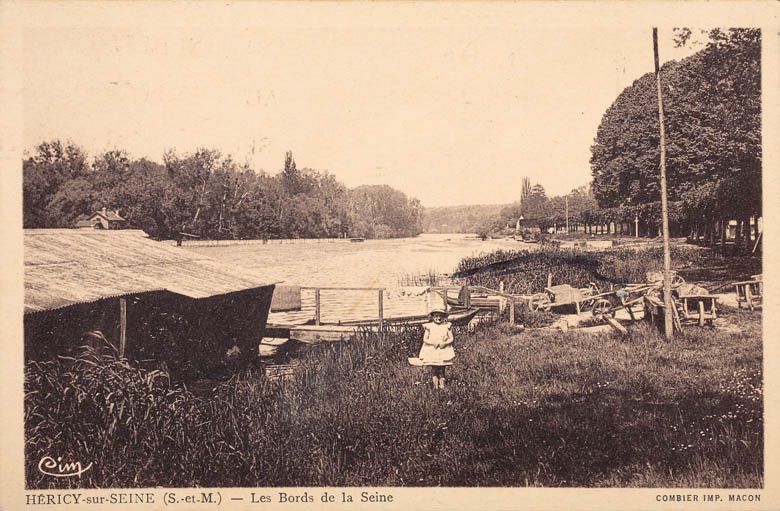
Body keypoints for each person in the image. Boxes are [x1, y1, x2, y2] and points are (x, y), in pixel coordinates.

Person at [419, 309, 455, 390]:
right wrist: (432, 343)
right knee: (434, 369)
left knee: (442, 369)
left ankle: (442, 386)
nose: (438, 318)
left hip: (443, 349)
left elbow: (451, 338)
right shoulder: (429, 326)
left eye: (440, 316)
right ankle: (435, 387)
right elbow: (425, 339)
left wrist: (445, 343)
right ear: (432, 317)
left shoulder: (446, 325)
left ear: (443, 317)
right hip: (433, 350)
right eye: (436, 316)